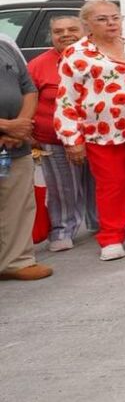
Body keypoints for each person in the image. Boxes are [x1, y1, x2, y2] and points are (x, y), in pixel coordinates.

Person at [27, 15, 96, 251]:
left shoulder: (97, 56)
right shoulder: (38, 65)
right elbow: (26, 99)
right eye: (58, 31)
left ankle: (102, 224)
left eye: (72, 29)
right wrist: (29, 131)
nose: (65, 34)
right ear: (52, 35)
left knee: (99, 185)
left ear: (85, 31)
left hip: (97, 136)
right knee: (63, 187)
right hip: (54, 139)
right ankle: (62, 230)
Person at [0, 32, 51, 281]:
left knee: (17, 203)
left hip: (14, 144)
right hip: (9, 132)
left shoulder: (5, 43)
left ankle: (16, 261)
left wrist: (20, 125)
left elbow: (28, 88)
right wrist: (6, 126)